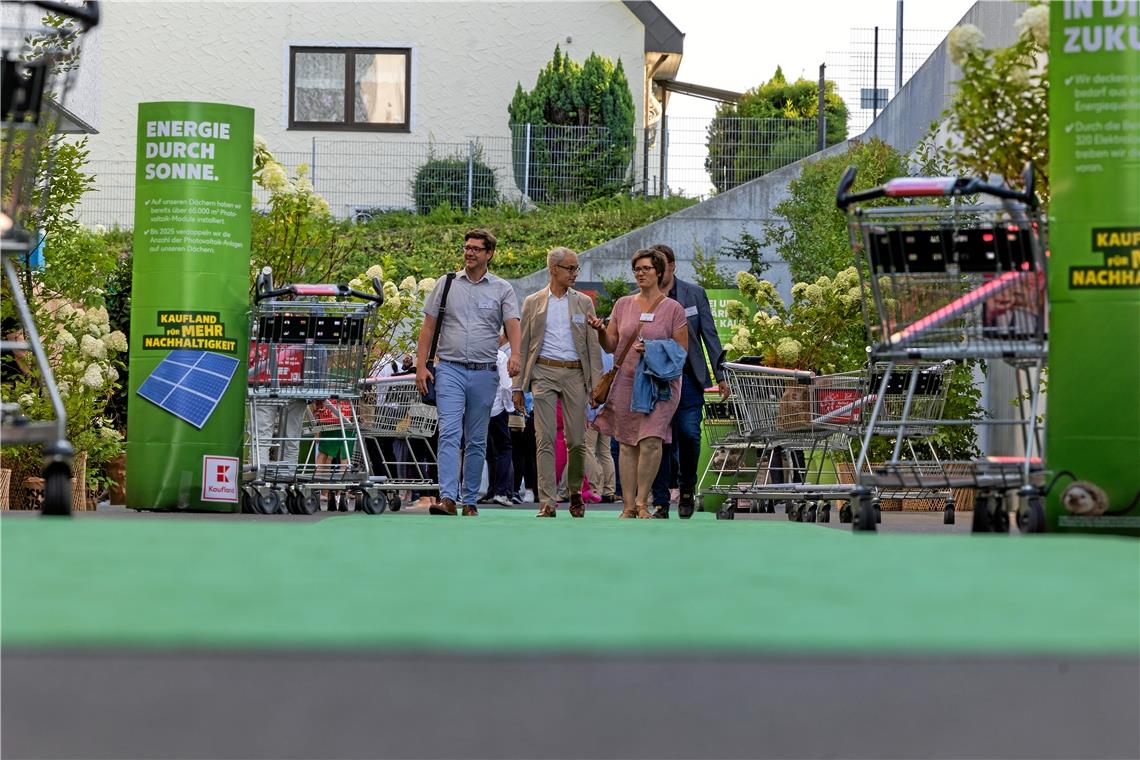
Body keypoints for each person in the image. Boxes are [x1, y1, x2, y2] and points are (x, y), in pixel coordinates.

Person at [415, 229, 520, 517]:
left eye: (476, 249)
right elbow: (428, 326)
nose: (469, 253)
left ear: (489, 254)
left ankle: (470, 499)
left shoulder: (502, 289)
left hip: (485, 373)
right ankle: (448, 497)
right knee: (449, 432)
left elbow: (512, 324)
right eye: (466, 248)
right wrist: (421, 365)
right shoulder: (446, 283)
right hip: (449, 368)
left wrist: (517, 355)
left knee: (476, 438)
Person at [588, 248, 687, 519]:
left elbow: (681, 351)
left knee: (652, 441)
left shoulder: (673, 309)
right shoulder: (623, 304)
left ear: (659, 272)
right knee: (628, 442)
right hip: (626, 382)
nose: (640, 273)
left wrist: (652, 349)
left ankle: (643, 502)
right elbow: (611, 345)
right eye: (637, 269)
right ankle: (628, 505)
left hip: (660, 385)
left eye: (646, 268)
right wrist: (599, 331)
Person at [513, 247, 603, 518]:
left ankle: (574, 490)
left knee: (577, 440)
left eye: (576, 268)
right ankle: (548, 500)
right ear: (553, 269)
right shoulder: (533, 301)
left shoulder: (584, 302)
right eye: (570, 268)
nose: (575, 273)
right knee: (545, 439)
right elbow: (525, 343)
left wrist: (597, 387)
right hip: (543, 372)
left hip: (576, 373)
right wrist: (518, 386)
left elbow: (592, 346)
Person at [649, 243, 729, 519]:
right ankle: (660, 500)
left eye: (662, 267)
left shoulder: (694, 294)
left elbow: (710, 336)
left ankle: (686, 489)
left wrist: (721, 375)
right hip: (656, 380)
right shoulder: (645, 297)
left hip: (689, 378)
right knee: (658, 440)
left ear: (672, 266)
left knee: (689, 434)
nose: (658, 273)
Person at [481, 332, 515, 507]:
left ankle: (491, 490)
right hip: (497, 409)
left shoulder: (476, 354)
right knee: (504, 448)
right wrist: (510, 407)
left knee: (487, 451)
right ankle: (501, 491)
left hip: (478, 409)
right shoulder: (500, 356)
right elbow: (506, 385)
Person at [583, 348, 617, 502]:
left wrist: (588, 413)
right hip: (608, 407)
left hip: (594, 406)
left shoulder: (591, 354)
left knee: (587, 448)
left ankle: (595, 486)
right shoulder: (611, 353)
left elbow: (592, 385)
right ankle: (609, 490)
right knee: (604, 450)